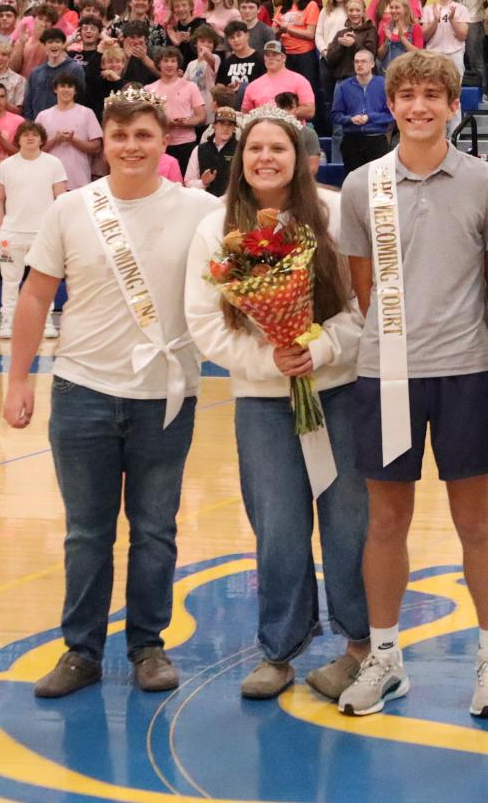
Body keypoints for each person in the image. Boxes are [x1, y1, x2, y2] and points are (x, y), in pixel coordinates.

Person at [0, 89, 222, 699]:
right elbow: (35, 296)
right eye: (120, 135)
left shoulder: (201, 209)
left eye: (143, 135)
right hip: (82, 392)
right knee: (86, 532)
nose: (131, 146)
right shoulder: (71, 210)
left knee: (156, 530)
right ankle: (82, 651)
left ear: (162, 142)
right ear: (106, 142)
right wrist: (18, 380)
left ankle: (148, 645)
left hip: (167, 397)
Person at [334, 52, 488, 720]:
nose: (418, 106)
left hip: (465, 370)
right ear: (391, 104)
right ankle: (383, 657)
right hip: (384, 375)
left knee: (476, 520)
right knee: (385, 521)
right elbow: (361, 283)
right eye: (406, 95)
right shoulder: (361, 185)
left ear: (451, 105)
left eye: (430, 95)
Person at [183, 107, 370, 703]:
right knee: (278, 528)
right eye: (255, 148)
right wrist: (273, 363)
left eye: (278, 149)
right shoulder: (216, 228)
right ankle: (280, 650)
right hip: (262, 402)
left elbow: (367, 306)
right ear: (240, 158)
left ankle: (361, 644)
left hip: (339, 393)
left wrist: (322, 348)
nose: (266, 158)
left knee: (349, 522)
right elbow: (203, 323)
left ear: (301, 157)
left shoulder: (337, 213)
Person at [0, 122, 68, 340]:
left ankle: (45, 322)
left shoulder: (53, 163)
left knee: (43, 280)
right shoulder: (6, 165)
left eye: (34, 135)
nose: (30, 138)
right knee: (10, 280)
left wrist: (55, 230)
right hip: (11, 235)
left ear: (42, 139)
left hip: (42, 234)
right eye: (25, 135)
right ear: (18, 139)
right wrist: (2, 228)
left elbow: (61, 199)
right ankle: (7, 321)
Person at [37, 74, 101, 190]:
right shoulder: (43, 116)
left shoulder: (87, 113)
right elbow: (35, 150)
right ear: (55, 89)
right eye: (62, 86)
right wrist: (55, 140)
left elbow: (96, 147)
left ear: (75, 90)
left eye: (70, 86)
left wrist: (72, 140)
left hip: (79, 181)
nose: (66, 90)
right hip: (49, 182)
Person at [241, 42, 316, 119]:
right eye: (267, 55)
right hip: (262, 127)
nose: (270, 58)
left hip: (291, 129)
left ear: (284, 58)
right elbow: (245, 115)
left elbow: (309, 110)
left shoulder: (299, 80)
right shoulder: (253, 86)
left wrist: (283, 114)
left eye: (275, 54)